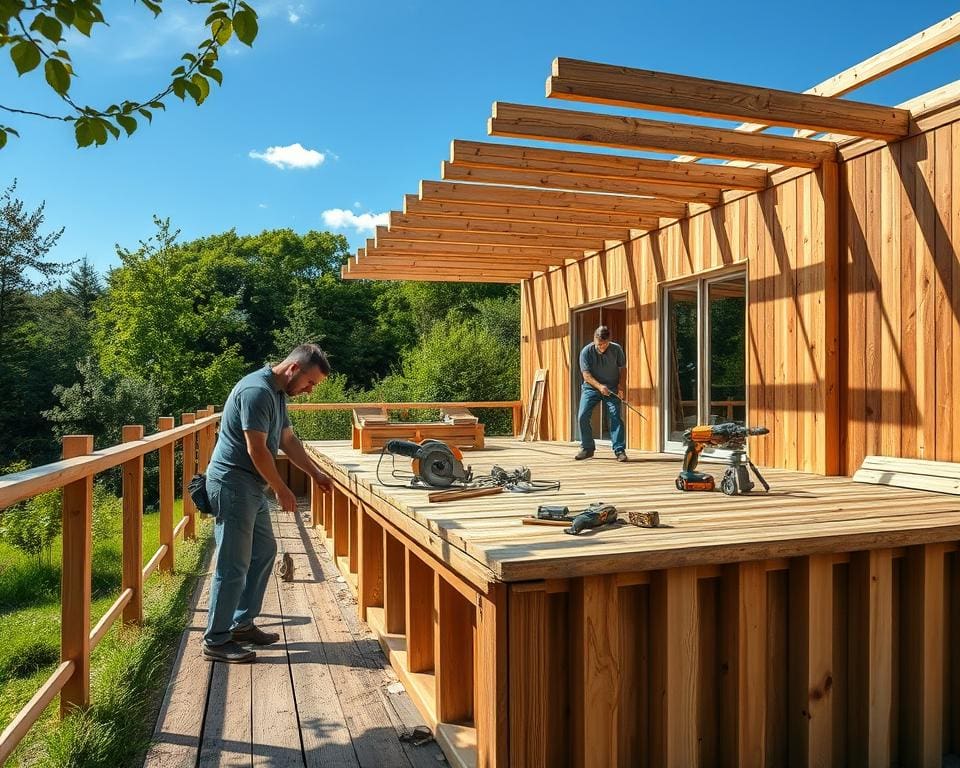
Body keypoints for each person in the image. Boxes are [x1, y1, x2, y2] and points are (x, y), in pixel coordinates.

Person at [202, 343, 332, 663]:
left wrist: (315, 473)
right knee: (234, 563)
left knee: (263, 551)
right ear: (293, 369)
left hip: (250, 485)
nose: (310, 390)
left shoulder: (276, 393)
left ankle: (241, 624)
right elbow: (257, 449)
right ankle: (216, 640)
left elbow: (287, 440)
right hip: (232, 484)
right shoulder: (256, 391)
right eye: (310, 383)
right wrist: (282, 488)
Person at [575, 325, 627, 462]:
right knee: (582, 416)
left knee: (615, 416)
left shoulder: (617, 349)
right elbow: (586, 375)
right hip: (591, 388)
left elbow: (623, 370)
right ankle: (587, 448)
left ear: (609, 341)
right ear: (594, 339)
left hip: (612, 389)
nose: (602, 347)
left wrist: (621, 387)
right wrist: (599, 386)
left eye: (604, 344)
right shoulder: (586, 352)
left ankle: (619, 450)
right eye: (599, 344)